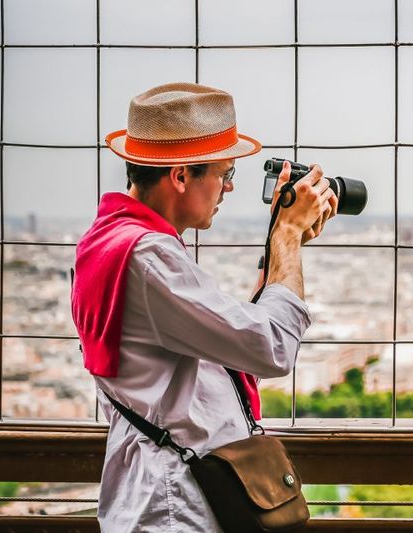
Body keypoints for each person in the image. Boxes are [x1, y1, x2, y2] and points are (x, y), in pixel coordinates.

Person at [70, 82, 337, 532]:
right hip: (175, 504)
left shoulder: (110, 243)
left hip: (155, 492)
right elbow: (271, 347)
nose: (228, 187)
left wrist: (279, 248)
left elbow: (232, 341)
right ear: (180, 176)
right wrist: (288, 237)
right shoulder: (149, 258)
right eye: (224, 173)